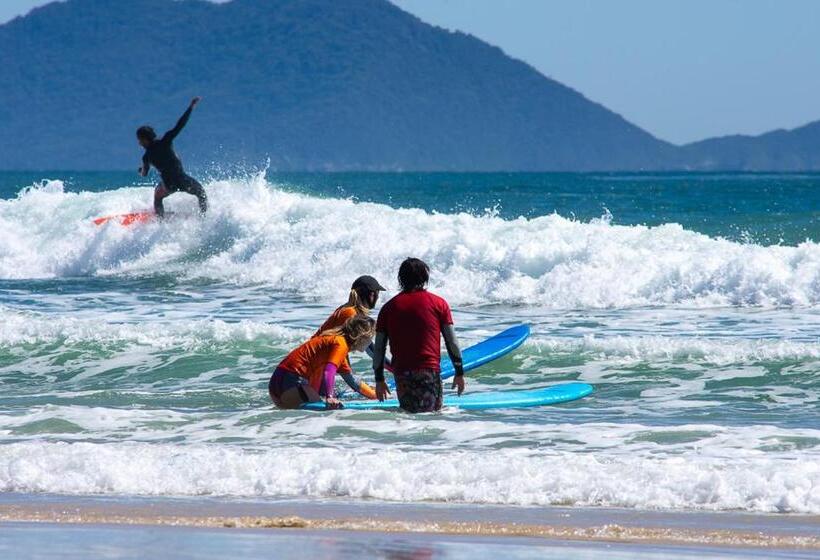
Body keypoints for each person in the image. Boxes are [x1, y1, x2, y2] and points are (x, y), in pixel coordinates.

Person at [372, 258, 465, 413]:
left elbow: (379, 348)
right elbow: (452, 342)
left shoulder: (388, 308)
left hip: (402, 373)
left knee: (408, 417)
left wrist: (379, 379)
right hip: (429, 370)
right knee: (431, 418)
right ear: (424, 278)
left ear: (401, 279)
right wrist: (459, 372)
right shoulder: (439, 304)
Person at [269, 315, 376, 409]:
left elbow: (352, 381)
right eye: (371, 337)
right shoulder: (340, 343)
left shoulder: (335, 341)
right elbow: (329, 370)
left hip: (277, 382)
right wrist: (330, 397)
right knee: (323, 414)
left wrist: (375, 395)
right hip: (291, 382)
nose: (371, 342)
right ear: (362, 336)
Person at [314, 275, 386, 399]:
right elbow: (350, 374)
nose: (378, 297)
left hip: (317, 362)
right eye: (377, 293)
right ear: (371, 295)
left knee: (324, 394)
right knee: (326, 397)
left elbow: (372, 351)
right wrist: (374, 395)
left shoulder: (348, 310)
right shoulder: (350, 315)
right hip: (316, 366)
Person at [137, 97, 208, 218]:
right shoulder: (166, 140)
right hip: (183, 180)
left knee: (157, 196)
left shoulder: (146, 156)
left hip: (169, 185)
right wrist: (190, 107)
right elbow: (180, 125)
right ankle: (204, 217)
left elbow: (144, 174)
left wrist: (141, 171)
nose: (139, 143)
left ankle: (160, 219)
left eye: (139, 140)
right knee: (201, 193)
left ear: (144, 139)